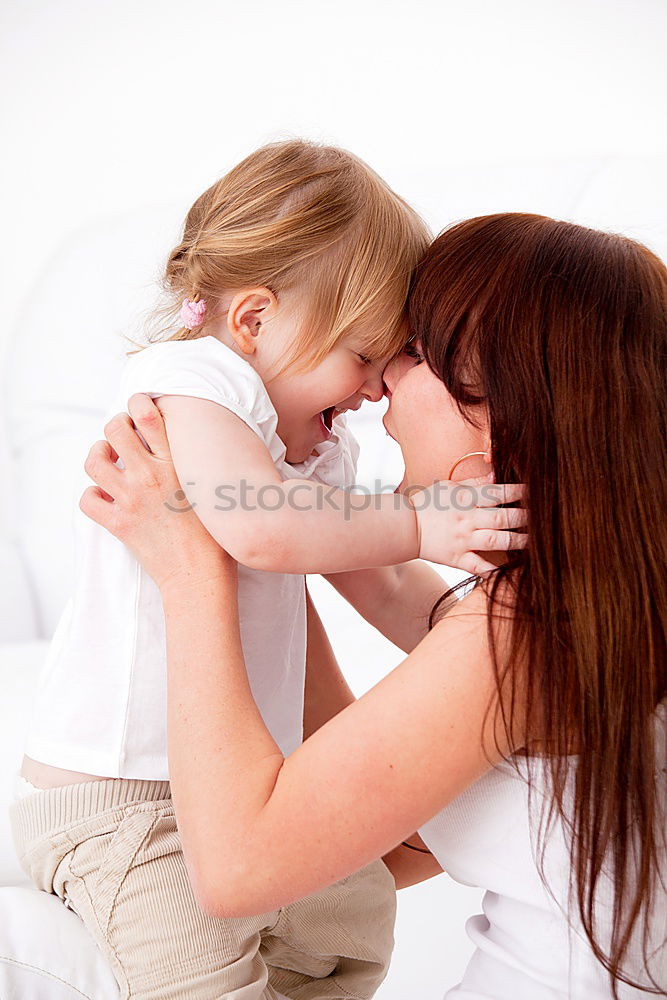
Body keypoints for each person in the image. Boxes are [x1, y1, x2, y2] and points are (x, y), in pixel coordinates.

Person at [77, 213, 667, 999]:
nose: (380, 379)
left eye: (414, 351)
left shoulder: (521, 637)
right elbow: (375, 783)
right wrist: (275, 543)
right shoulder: (599, 612)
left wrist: (190, 571)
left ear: (501, 410)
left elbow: (239, 868)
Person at [10, 142, 525, 1000]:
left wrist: (481, 587)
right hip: (123, 802)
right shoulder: (190, 383)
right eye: (364, 355)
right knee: (199, 979)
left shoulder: (309, 442)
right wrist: (418, 520)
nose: (373, 389)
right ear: (254, 320)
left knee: (350, 926)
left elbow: (388, 582)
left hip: (231, 780)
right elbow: (259, 532)